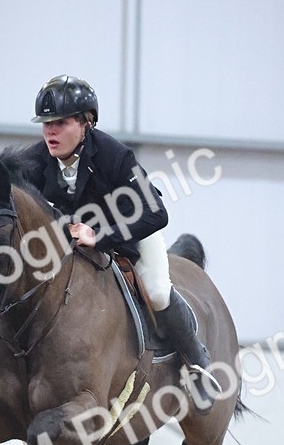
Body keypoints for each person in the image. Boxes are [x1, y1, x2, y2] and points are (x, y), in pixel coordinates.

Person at [20, 74, 220, 411]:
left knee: (157, 291)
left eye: (61, 123)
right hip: (74, 244)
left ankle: (196, 361)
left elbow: (156, 213)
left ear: (86, 123)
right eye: (46, 124)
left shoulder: (114, 155)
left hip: (131, 233)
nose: (50, 132)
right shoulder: (35, 160)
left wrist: (99, 236)